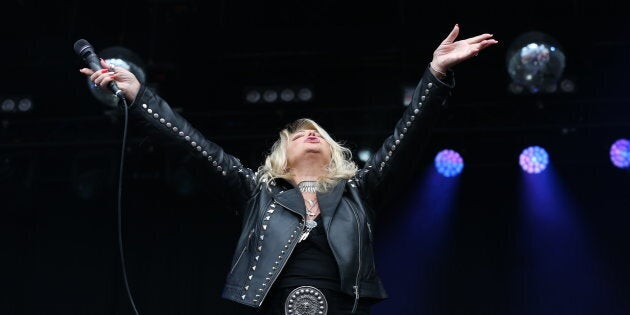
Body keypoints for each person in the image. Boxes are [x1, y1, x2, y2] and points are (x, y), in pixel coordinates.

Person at [80, 24, 497, 315]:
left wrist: (436, 74)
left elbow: (408, 137)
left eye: (317, 133)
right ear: (281, 154)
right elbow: (192, 146)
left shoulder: (360, 191)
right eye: (298, 134)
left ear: (334, 151)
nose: (308, 134)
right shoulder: (254, 190)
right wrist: (140, 98)